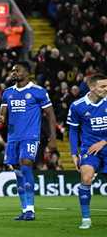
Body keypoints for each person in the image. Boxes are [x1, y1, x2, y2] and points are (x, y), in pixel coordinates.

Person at [0, 62, 57, 221]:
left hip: (30, 136)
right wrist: (0, 118)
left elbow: (50, 116)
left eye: (18, 70)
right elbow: (2, 114)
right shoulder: (7, 93)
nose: (14, 72)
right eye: (13, 70)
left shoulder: (38, 92)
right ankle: (24, 209)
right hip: (13, 138)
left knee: (26, 164)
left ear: (28, 73)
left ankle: (31, 209)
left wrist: (53, 139)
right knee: (17, 172)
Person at [67, 74, 107, 229]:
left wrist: (103, 142)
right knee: (86, 176)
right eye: (103, 86)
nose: (106, 89)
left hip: (104, 145)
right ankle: (86, 219)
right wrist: (73, 153)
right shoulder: (77, 106)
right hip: (89, 150)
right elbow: (73, 131)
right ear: (92, 87)